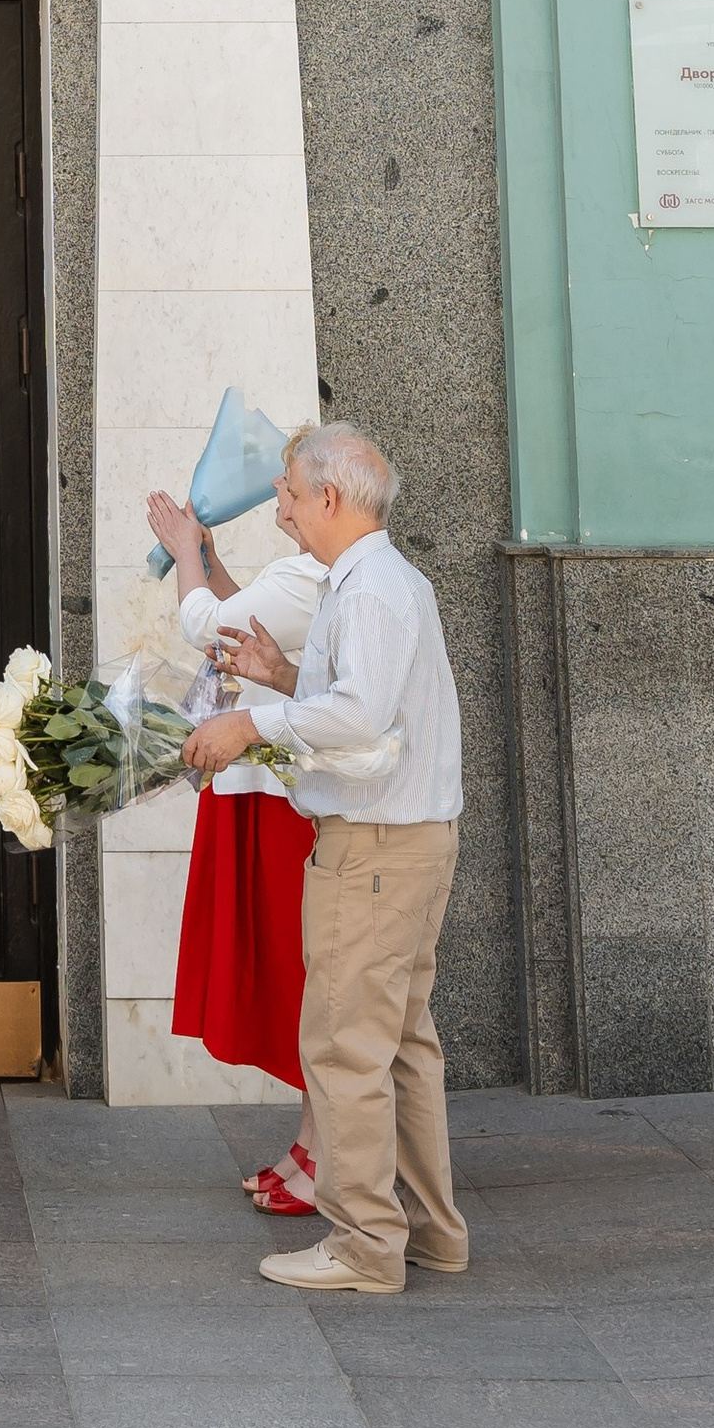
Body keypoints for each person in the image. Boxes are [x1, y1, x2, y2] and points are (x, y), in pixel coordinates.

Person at [190, 424, 472, 1299]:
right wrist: (283, 676)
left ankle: (363, 1245)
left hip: (378, 849)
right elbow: (360, 698)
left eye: (285, 490)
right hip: (405, 842)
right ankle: (429, 1233)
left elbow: (359, 719)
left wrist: (251, 720)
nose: (277, 503)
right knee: (399, 1048)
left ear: (329, 499)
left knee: (347, 1048)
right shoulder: (378, 580)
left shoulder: (373, 586)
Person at [148, 478, 329, 1212]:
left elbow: (204, 625)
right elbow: (239, 625)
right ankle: (314, 1147)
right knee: (299, 986)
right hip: (267, 791)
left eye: (288, 491)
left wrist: (185, 551)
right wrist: (210, 562)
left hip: (285, 800)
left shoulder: (309, 576)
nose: (279, 506)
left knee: (300, 982)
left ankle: (326, 1156)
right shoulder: (303, 577)